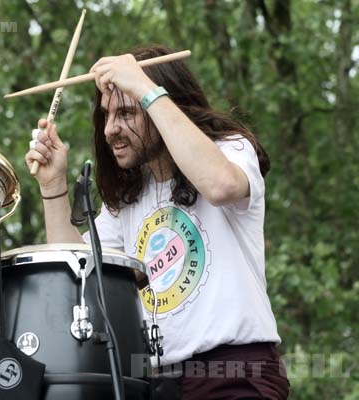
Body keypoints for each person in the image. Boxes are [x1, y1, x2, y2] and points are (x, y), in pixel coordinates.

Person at [25, 45, 289, 399]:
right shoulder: (129, 199)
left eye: (126, 112)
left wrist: (141, 85)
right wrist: (53, 188)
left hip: (234, 370)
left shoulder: (230, 150)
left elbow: (221, 185)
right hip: (155, 381)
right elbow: (79, 273)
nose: (109, 130)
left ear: (162, 101)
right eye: (107, 115)